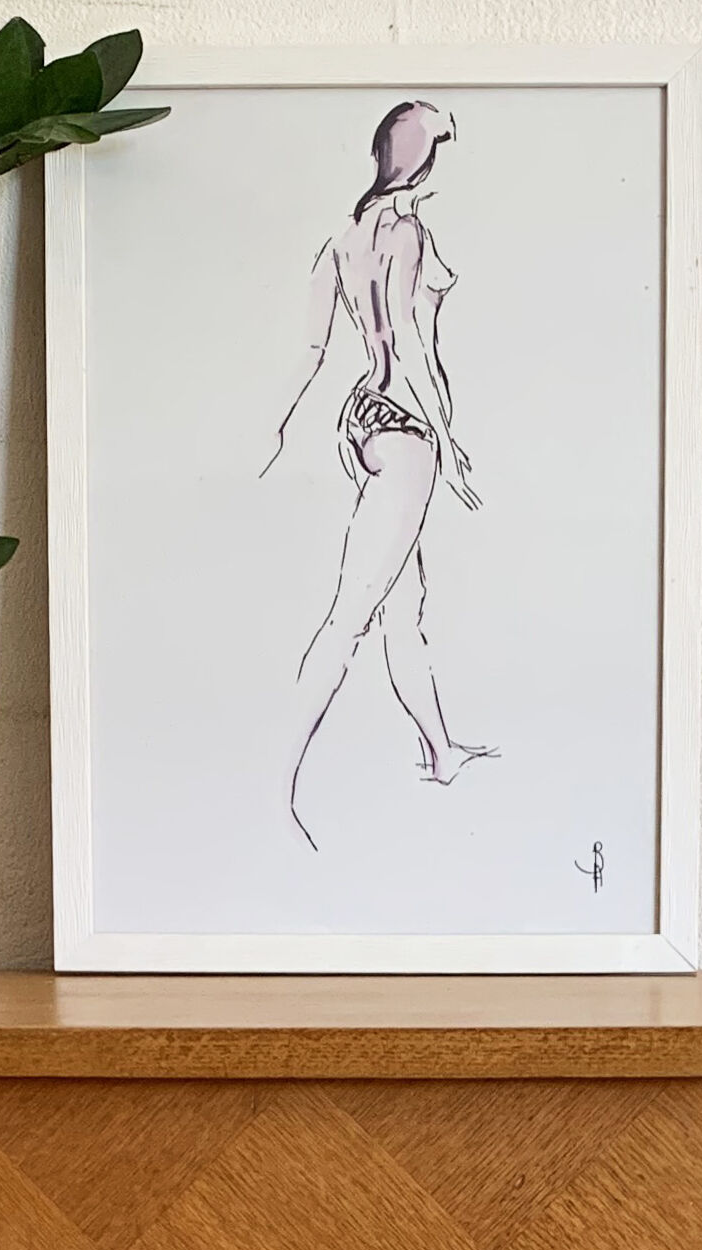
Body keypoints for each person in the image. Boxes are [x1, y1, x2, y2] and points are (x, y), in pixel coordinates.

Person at [262, 99, 495, 847]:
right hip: (407, 431)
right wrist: (450, 441)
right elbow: (413, 347)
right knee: (351, 616)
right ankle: (276, 787)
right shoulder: (406, 232)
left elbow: (312, 349)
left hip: (362, 422)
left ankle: (440, 751)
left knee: (403, 607)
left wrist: (285, 423)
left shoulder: (342, 236)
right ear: (423, 161)